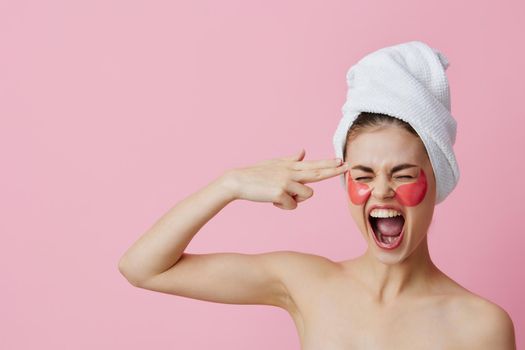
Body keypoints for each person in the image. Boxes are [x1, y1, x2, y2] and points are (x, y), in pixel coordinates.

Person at [118, 39, 517, 348]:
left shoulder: (480, 325)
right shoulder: (307, 284)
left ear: (437, 178)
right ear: (346, 184)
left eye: (403, 174)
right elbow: (143, 267)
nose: (381, 192)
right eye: (363, 174)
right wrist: (231, 184)